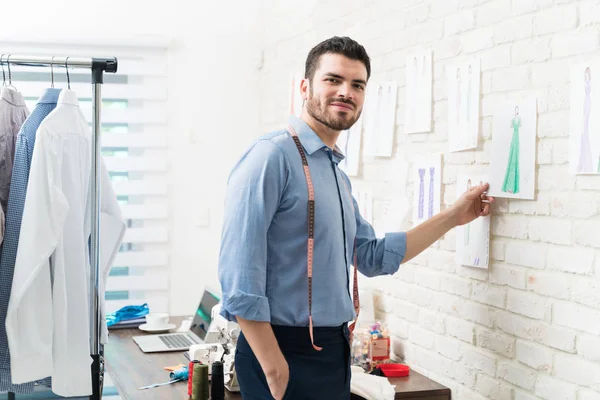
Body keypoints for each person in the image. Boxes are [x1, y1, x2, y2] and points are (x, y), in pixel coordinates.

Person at [218, 36, 494, 400]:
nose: (345, 92)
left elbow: (372, 257)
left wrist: (455, 216)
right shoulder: (271, 157)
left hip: (334, 352)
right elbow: (239, 277)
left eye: (357, 85)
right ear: (305, 86)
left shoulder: (336, 174)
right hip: (281, 352)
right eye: (333, 79)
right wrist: (273, 366)